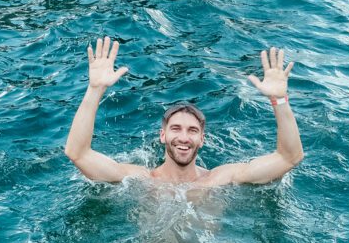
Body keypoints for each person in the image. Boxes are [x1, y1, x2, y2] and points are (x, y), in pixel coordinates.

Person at [65, 36, 304, 185]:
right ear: (162, 135)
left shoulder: (220, 179)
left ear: (202, 139)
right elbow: (78, 153)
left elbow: (289, 157)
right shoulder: (140, 180)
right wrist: (95, 89)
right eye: (176, 128)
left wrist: (279, 99)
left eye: (192, 131)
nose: (183, 137)